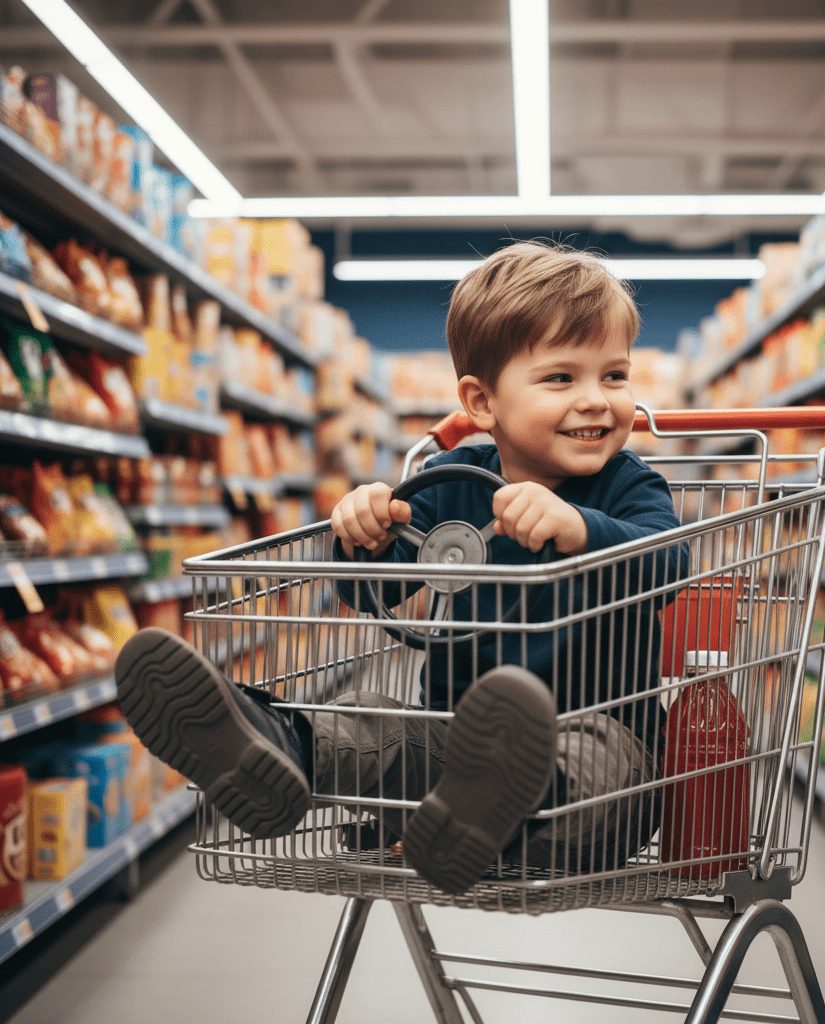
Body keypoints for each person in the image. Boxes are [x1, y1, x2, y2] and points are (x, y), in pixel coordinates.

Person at [115, 240, 687, 895]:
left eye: (614, 376)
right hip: (457, 746)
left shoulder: (628, 484)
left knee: (591, 754)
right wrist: (363, 535)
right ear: (482, 402)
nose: (597, 400)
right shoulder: (450, 481)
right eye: (561, 378)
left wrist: (582, 529)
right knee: (373, 717)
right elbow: (374, 591)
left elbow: (668, 563)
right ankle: (275, 742)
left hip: (606, 756)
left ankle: (493, 817)